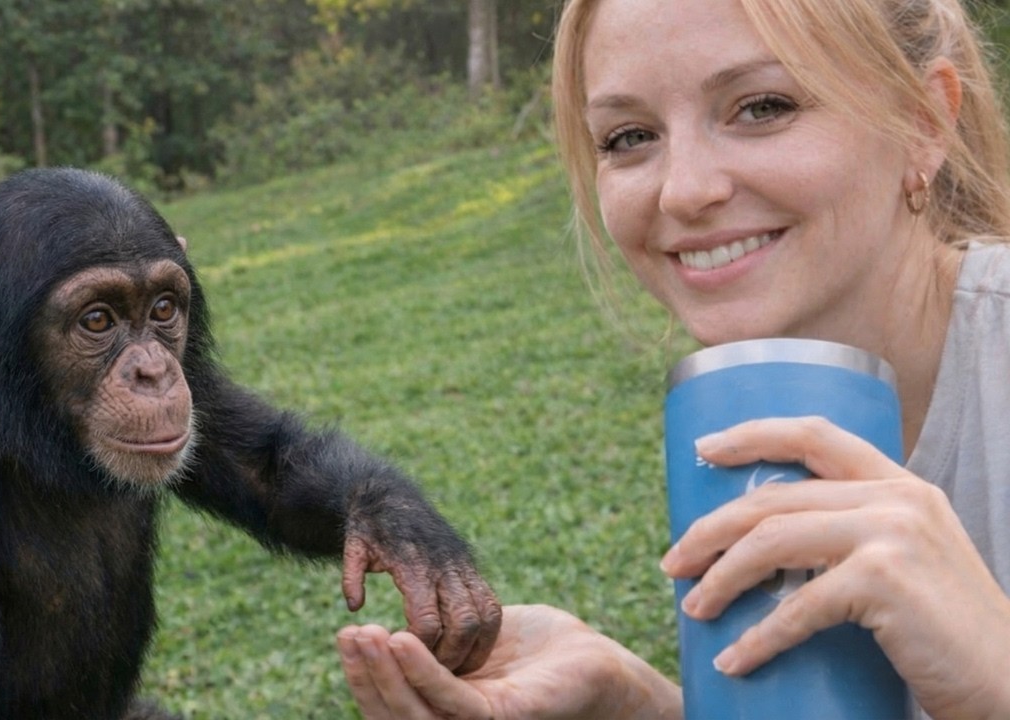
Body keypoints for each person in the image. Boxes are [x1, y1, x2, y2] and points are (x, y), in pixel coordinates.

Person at [335, 0, 1010, 717]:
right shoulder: (730, 410)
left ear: (923, 121)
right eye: (629, 136)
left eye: (762, 107)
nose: (684, 191)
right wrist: (633, 704)